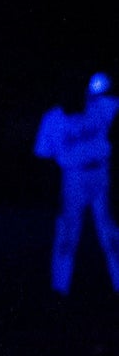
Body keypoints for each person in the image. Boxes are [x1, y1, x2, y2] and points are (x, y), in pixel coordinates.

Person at [34, 73, 119, 295]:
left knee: (110, 232)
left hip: (101, 172)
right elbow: (43, 155)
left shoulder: (101, 105)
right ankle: (59, 290)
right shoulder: (53, 118)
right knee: (66, 233)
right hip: (73, 177)